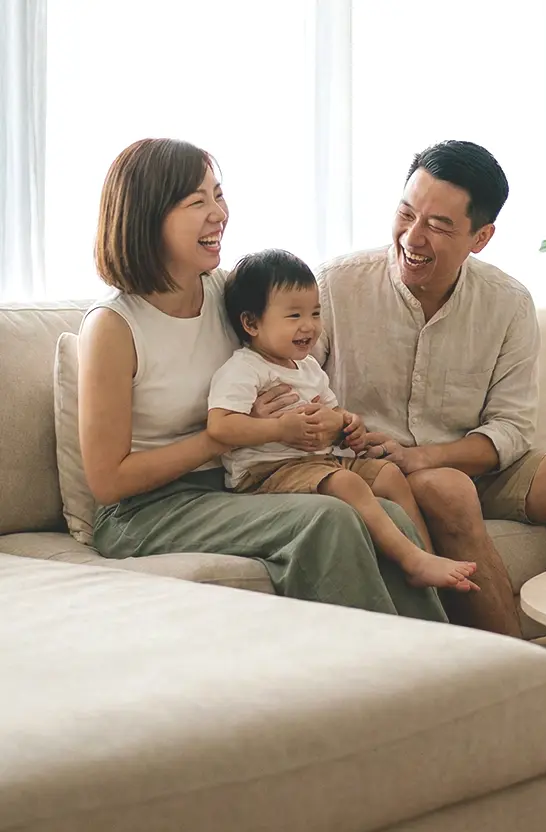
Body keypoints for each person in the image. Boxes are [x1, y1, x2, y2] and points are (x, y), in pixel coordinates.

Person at [250, 139, 546, 781]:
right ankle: (535, 699)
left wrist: (428, 453)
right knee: (447, 490)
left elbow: (511, 427)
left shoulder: (506, 301)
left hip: (473, 457)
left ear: (480, 237)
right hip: (382, 469)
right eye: (406, 213)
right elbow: (293, 377)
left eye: (438, 225)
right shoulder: (336, 286)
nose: (412, 238)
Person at [77, 137, 448, 624]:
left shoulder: (228, 294)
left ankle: (442, 657)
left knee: (388, 514)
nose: (219, 214)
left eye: (219, 195)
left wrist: (328, 422)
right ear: (149, 217)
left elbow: (283, 367)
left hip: (232, 485)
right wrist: (225, 436)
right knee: (328, 518)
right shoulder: (113, 326)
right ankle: (379, 665)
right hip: (143, 512)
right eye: (198, 202)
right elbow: (108, 482)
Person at [208, 248, 478, 593]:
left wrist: (347, 424)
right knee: (347, 484)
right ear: (251, 323)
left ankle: (424, 558)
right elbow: (221, 426)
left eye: (315, 313)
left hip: (317, 462)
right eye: (294, 315)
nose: (309, 325)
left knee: (389, 474)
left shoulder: (307, 366)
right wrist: (279, 429)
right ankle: (413, 560)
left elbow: (333, 413)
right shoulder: (244, 369)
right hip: (264, 472)